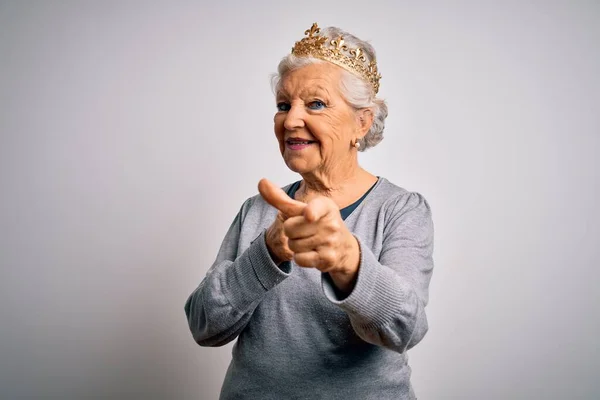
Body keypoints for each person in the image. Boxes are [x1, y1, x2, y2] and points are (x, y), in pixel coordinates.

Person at [185, 22, 434, 400]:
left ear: (361, 122)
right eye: (283, 105)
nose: (291, 119)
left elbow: (405, 328)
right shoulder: (256, 211)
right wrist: (268, 250)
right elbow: (204, 325)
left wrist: (347, 261)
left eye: (315, 103)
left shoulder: (400, 209)